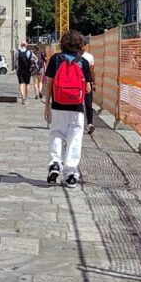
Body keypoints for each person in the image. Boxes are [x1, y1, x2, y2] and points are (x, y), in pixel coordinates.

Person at [43, 30, 93, 188]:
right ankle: (71, 173)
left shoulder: (55, 59)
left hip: (58, 105)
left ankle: (55, 164)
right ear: (80, 44)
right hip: (77, 107)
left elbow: (49, 84)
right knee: (74, 139)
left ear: (63, 42)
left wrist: (46, 106)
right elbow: (88, 89)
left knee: (56, 133)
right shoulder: (83, 62)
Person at [82, 41, 96, 134]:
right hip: (76, 83)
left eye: (84, 45)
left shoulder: (89, 56)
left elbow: (92, 71)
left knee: (88, 103)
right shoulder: (73, 56)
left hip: (87, 83)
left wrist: (93, 82)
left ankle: (90, 123)